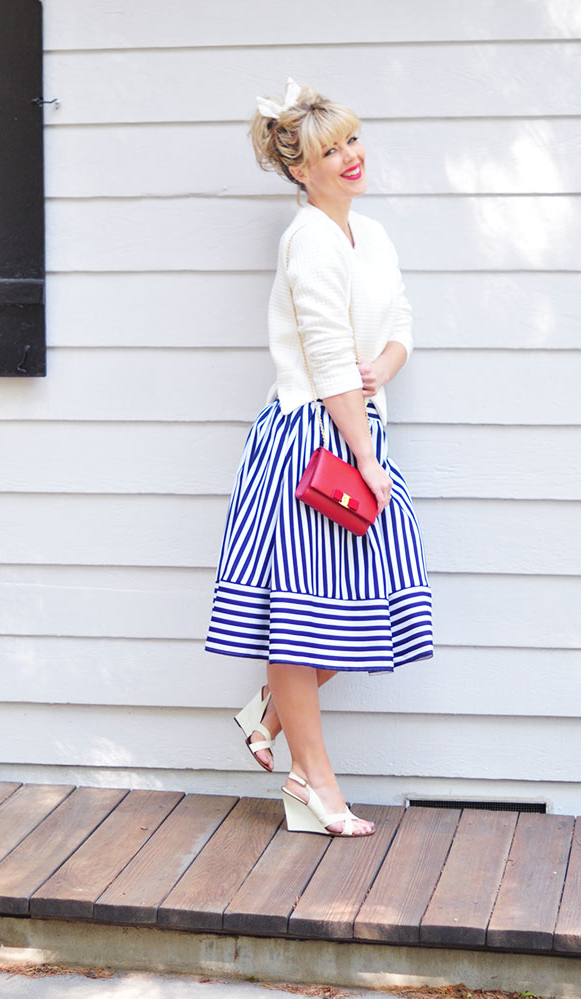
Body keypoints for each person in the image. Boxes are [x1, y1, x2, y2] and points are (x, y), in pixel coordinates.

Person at [205, 78, 433, 837]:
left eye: (352, 140)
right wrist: (367, 457)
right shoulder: (306, 238)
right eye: (329, 150)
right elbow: (329, 359)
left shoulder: (371, 234)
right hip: (313, 440)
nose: (349, 157)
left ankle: (269, 715)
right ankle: (314, 781)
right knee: (302, 618)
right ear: (299, 170)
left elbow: (397, 323)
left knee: (346, 611)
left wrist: (387, 368)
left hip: (357, 427)